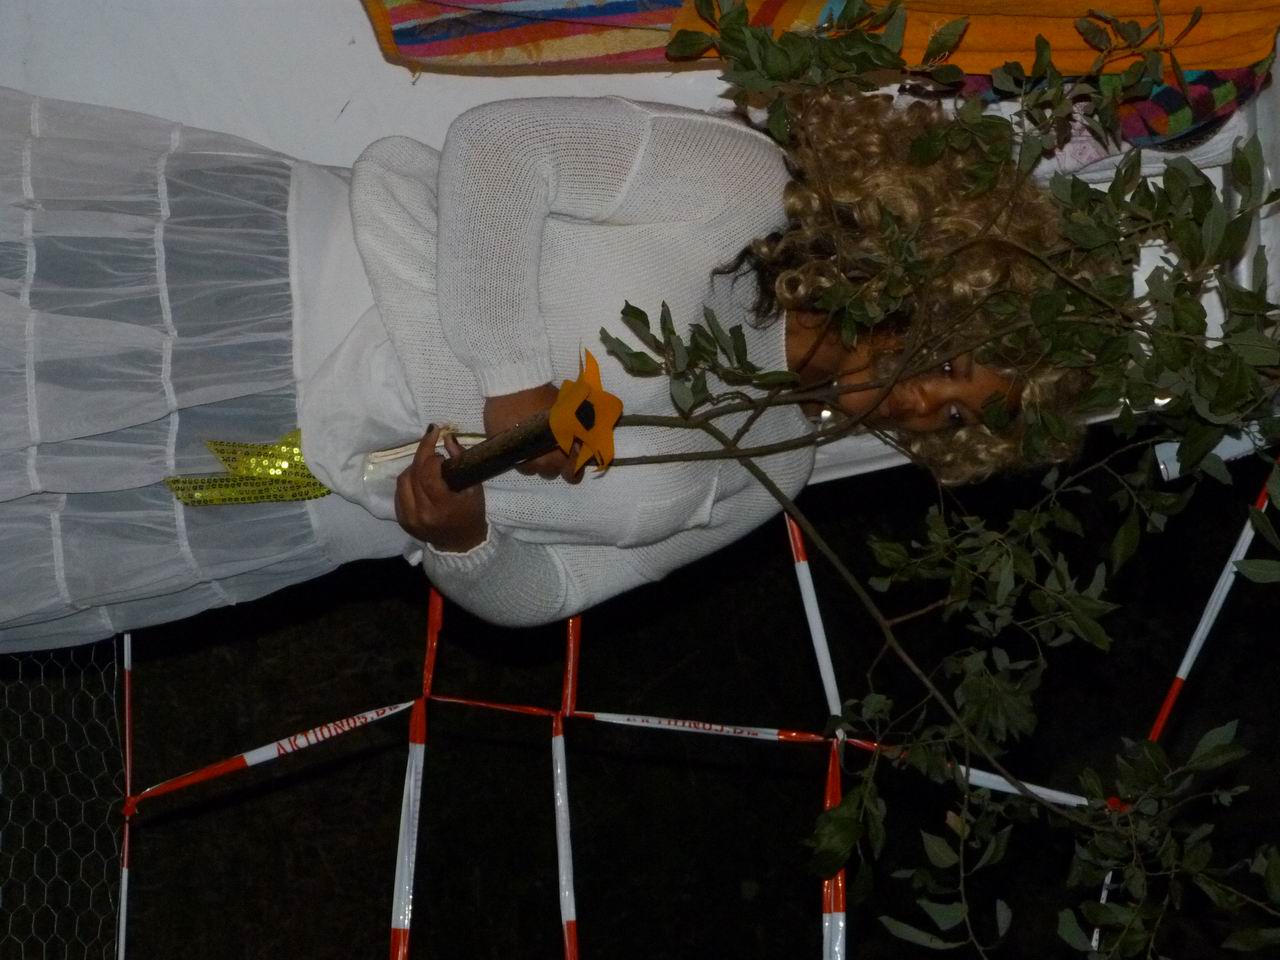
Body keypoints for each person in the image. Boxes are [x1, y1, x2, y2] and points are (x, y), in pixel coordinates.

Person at [0, 87, 1078, 650]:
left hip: (288, 487)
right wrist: (513, 373)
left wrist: (465, 547)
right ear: (936, 274)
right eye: (952, 362)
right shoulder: (747, 189)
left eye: (953, 419)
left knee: (47, 496)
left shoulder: (771, 474)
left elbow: (554, 593)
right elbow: (501, 148)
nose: (922, 402)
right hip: (271, 297)